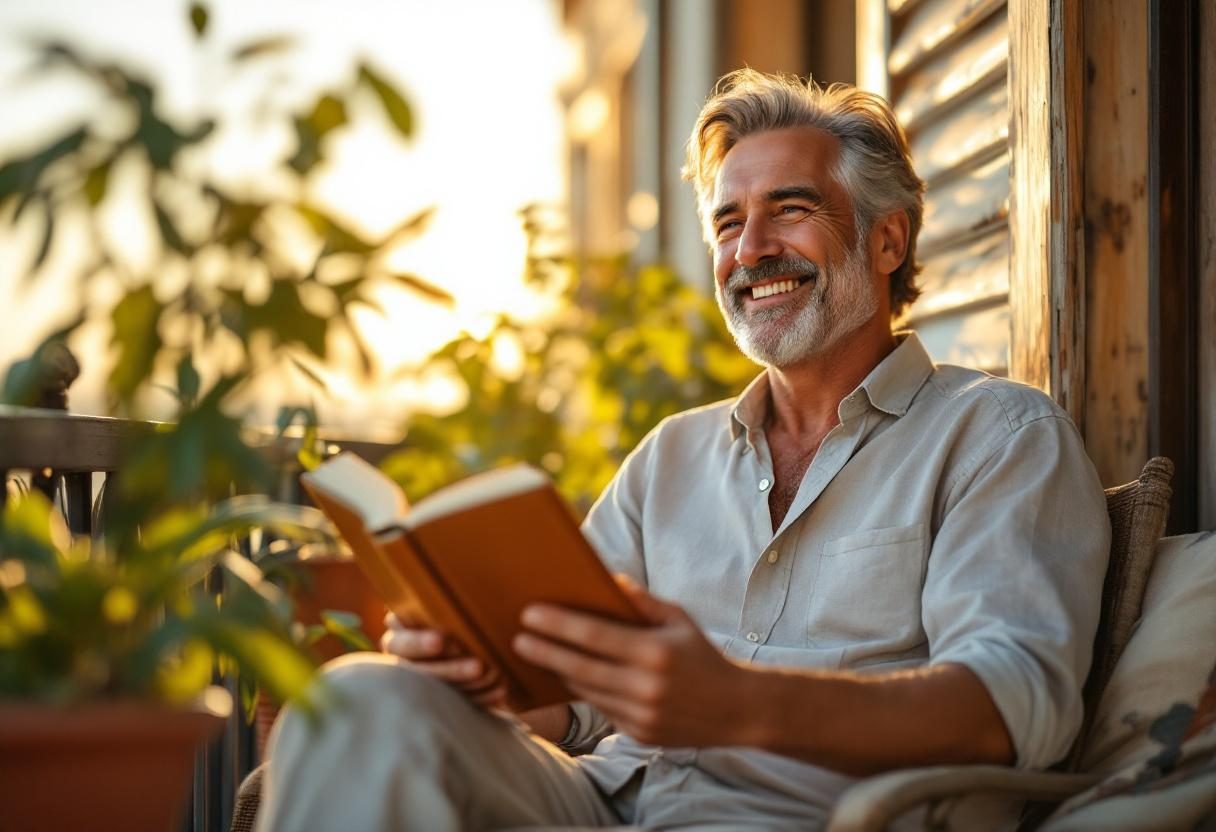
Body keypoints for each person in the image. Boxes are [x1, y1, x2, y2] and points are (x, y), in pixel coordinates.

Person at [256, 70, 1110, 831]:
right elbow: (577, 704)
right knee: (357, 697)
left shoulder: (997, 436)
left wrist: (739, 704)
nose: (751, 251)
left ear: (889, 241)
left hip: (807, 815)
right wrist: (492, 679)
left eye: (792, 208)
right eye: (728, 223)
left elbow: (1014, 707)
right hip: (604, 801)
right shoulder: (670, 456)